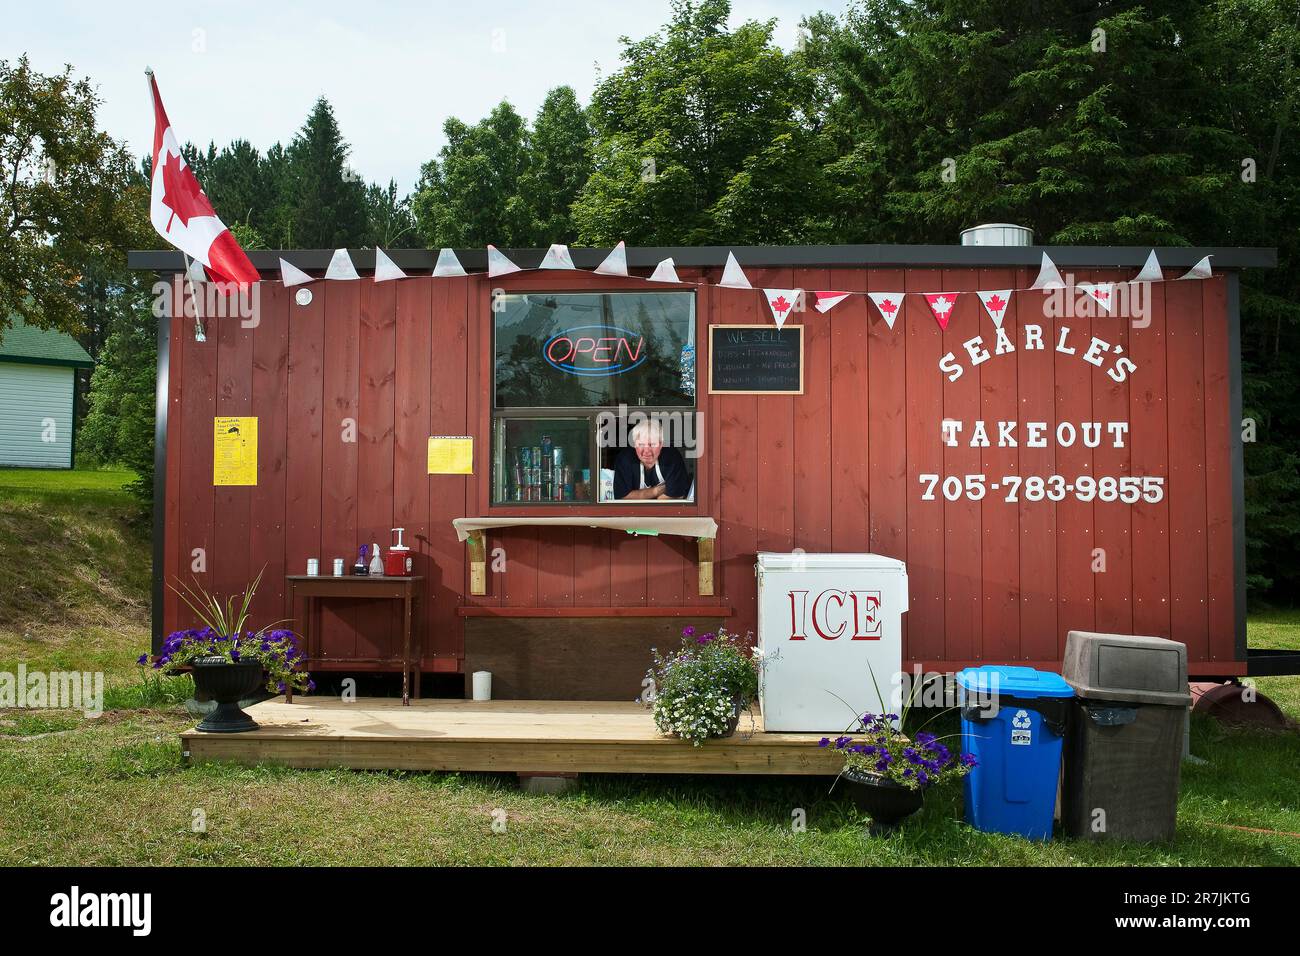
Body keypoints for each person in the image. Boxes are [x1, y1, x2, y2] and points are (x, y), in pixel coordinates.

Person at [613, 419, 692, 500]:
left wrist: (637, 496)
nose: (646, 451)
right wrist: (656, 491)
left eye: (652, 444)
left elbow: (675, 496)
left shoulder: (671, 457)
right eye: (641, 444)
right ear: (634, 445)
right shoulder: (625, 458)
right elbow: (622, 497)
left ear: (661, 444)